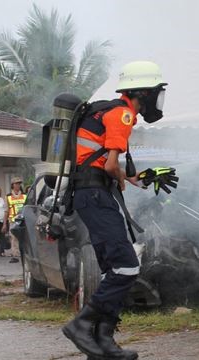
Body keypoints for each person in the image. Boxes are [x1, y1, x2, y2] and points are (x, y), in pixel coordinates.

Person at [62, 61, 171, 360]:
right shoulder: (122, 114)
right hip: (95, 195)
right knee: (127, 266)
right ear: (143, 93)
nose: (157, 101)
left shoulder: (107, 111)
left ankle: (103, 342)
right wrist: (120, 177)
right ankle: (81, 325)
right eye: (156, 93)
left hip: (90, 194)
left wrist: (138, 178)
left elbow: (103, 163)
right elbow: (110, 166)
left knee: (115, 267)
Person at [7, 176, 26, 263]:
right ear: (12, 185)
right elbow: (6, 210)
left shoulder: (25, 195)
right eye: (16, 183)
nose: (18, 185)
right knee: (13, 238)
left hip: (23, 220)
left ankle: (24, 253)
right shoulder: (8, 196)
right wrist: (4, 223)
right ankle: (15, 255)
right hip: (13, 220)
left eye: (19, 183)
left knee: (24, 237)